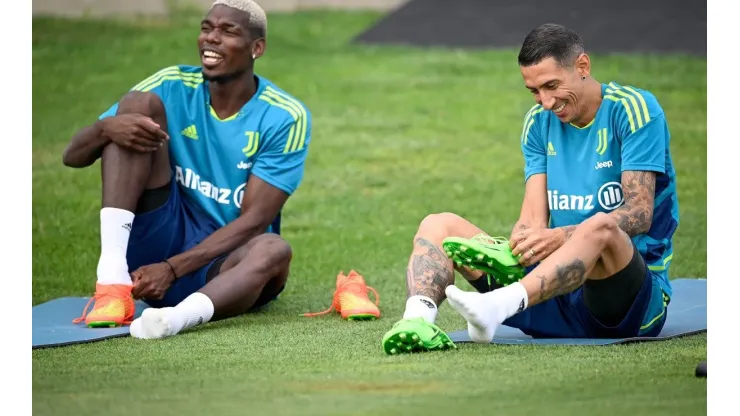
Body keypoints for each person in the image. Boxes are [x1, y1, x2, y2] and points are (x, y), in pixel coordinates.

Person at [381, 23, 678, 354]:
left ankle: (495, 308)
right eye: (534, 91)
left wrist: (560, 237)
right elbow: (532, 220)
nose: (546, 102)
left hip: (624, 306)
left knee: (601, 225)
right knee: (439, 224)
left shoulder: (633, 109)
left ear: (582, 67)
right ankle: (417, 321)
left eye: (551, 85)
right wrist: (514, 247)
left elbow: (638, 214)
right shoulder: (538, 123)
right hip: (551, 293)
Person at [63, 0, 312, 339]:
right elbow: (72, 156)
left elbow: (254, 221)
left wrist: (172, 269)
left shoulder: (285, 116)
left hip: (224, 266)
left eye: (228, 31)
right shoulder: (170, 84)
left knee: (274, 249)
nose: (211, 38)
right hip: (161, 233)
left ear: (257, 48)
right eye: (206, 28)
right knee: (135, 108)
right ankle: (111, 282)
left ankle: (174, 320)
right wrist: (106, 129)